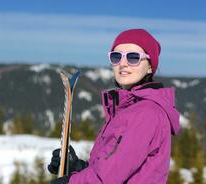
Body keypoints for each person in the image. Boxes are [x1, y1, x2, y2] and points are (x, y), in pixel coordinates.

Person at [48, 28, 180, 184]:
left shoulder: (146, 114)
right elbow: (113, 169)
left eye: (133, 57)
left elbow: (106, 179)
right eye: (116, 57)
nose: (123, 64)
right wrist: (77, 166)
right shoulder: (128, 110)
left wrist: (71, 182)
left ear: (150, 66)